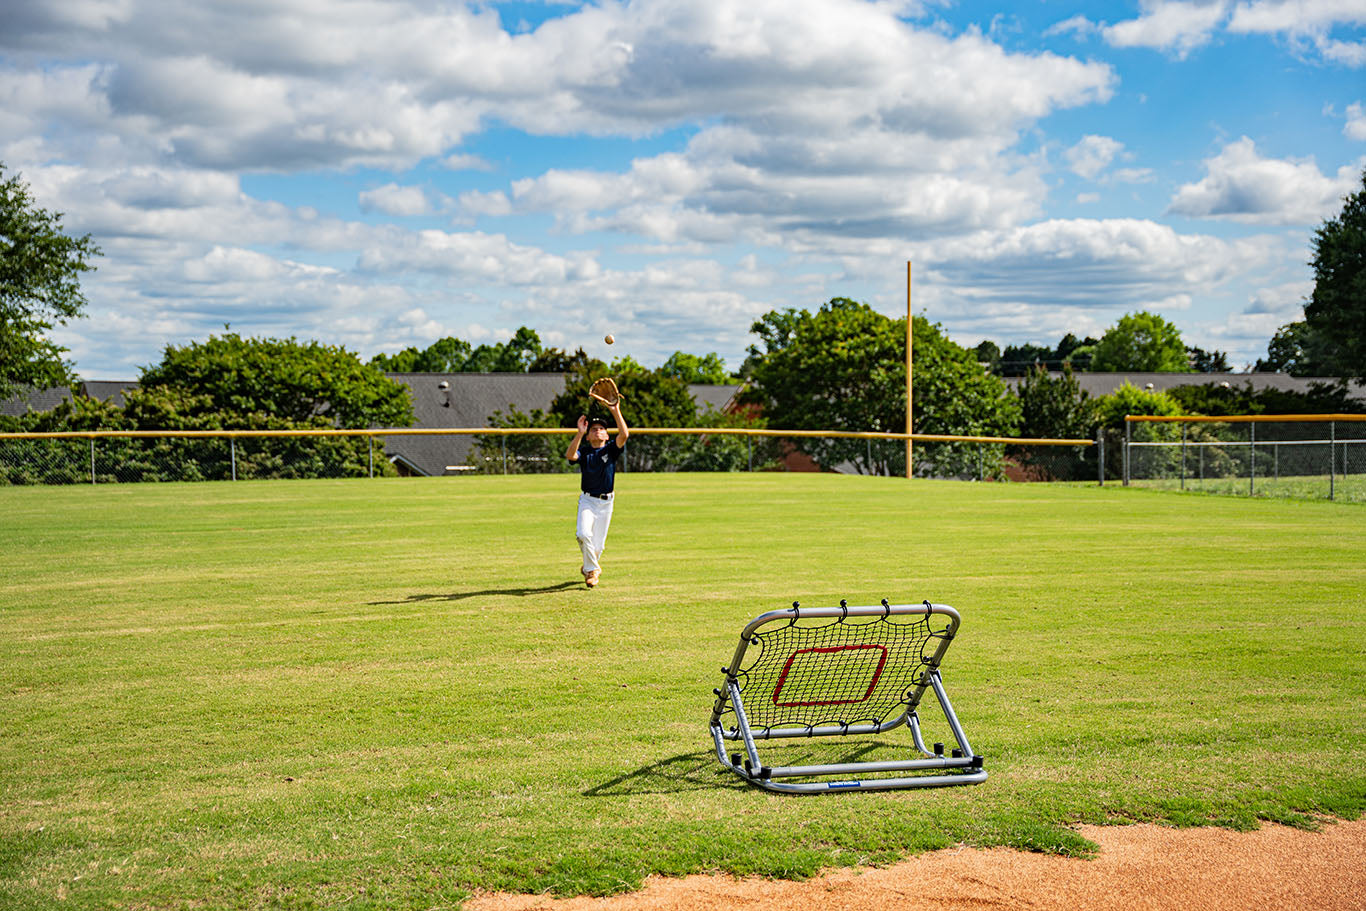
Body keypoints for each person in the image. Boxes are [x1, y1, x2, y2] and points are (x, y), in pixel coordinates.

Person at [565, 399, 629, 588]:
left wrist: (615, 410)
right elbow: (570, 455)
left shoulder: (611, 449)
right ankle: (593, 571)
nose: (597, 430)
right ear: (588, 436)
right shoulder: (584, 452)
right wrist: (579, 433)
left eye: (601, 428)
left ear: (607, 435)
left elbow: (624, 434)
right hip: (588, 500)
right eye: (593, 429)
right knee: (583, 534)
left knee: (598, 546)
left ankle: (588, 568)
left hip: (606, 503)